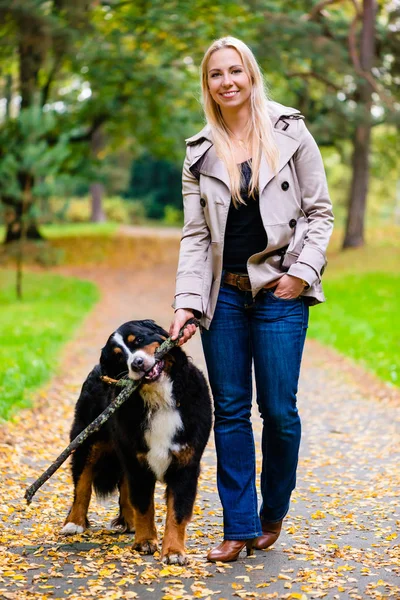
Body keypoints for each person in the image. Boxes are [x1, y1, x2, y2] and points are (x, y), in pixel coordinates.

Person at [169, 36, 333, 563]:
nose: (228, 81)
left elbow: (319, 211)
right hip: (227, 298)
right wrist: (186, 303)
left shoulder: (290, 131)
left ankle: (272, 510)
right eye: (216, 74)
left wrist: (301, 273)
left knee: (279, 411)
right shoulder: (199, 152)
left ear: (251, 74)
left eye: (235, 70)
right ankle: (237, 527)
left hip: (281, 290)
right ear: (208, 85)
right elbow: (196, 237)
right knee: (232, 411)